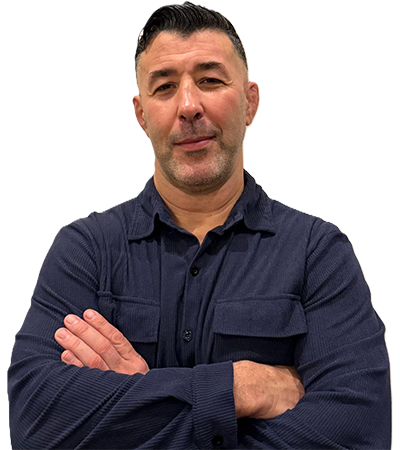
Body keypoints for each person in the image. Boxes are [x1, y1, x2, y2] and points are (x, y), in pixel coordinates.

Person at [7, 2, 391, 449]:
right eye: (165, 87)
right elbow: (35, 422)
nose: (189, 106)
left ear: (249, 102)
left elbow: (358, 431)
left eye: (210, 81)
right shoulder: (86, 250)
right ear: (141, 114)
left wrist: (138, 399)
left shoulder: (317, 252)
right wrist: (238, 387)